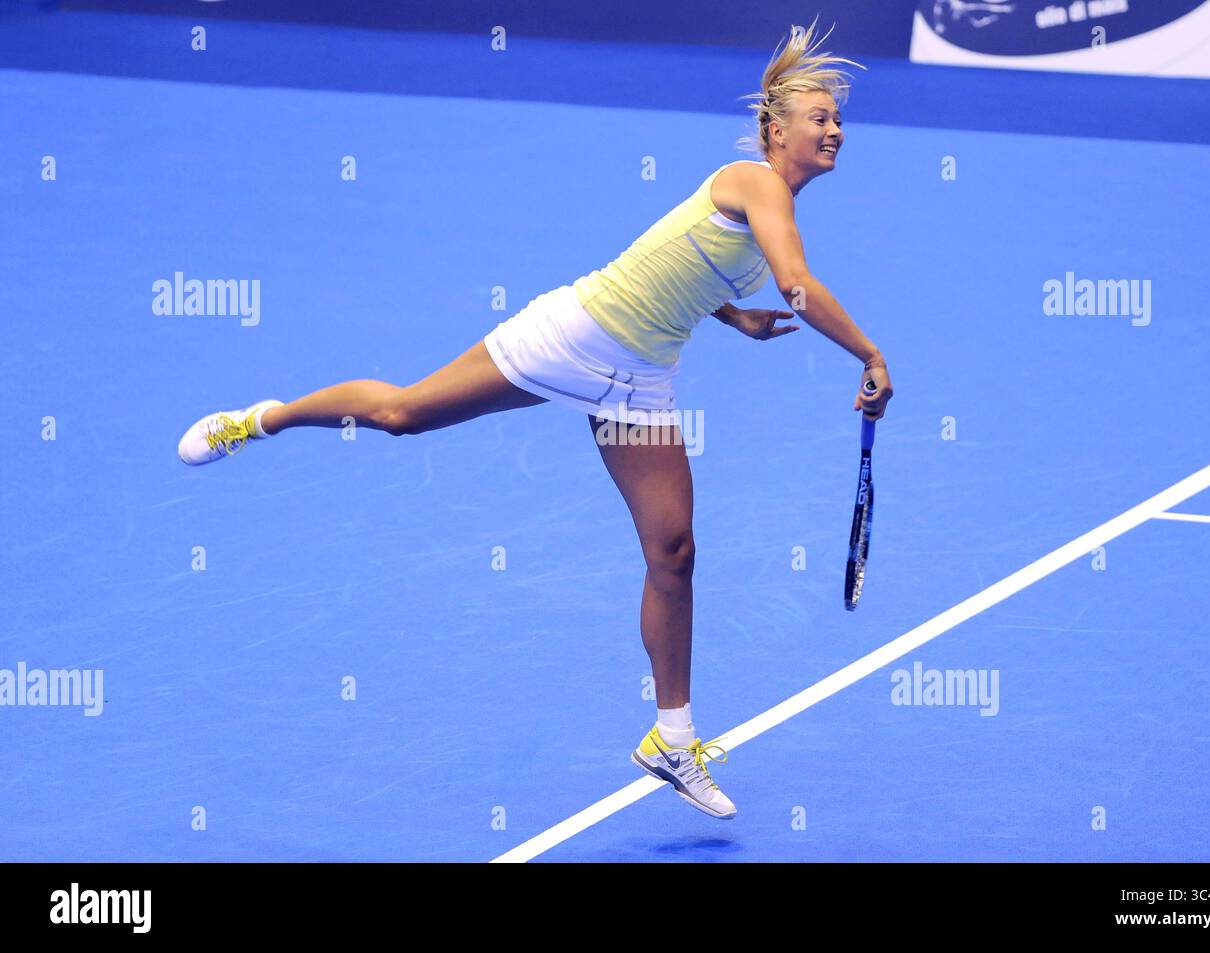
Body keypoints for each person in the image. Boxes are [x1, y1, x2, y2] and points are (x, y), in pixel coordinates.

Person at [177, 18, 893, 820]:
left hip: (640, 378)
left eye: (837, 120)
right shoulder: (756, 182)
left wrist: (734, 319)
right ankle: (262, 419)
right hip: (573, 335)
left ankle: (672, 737)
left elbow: (682, 256)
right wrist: (869, 354)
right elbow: (796, 282)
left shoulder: (770, 204)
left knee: (674, 549)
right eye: (819, 118)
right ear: (775, 130)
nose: (833, 131)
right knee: (400, 412)